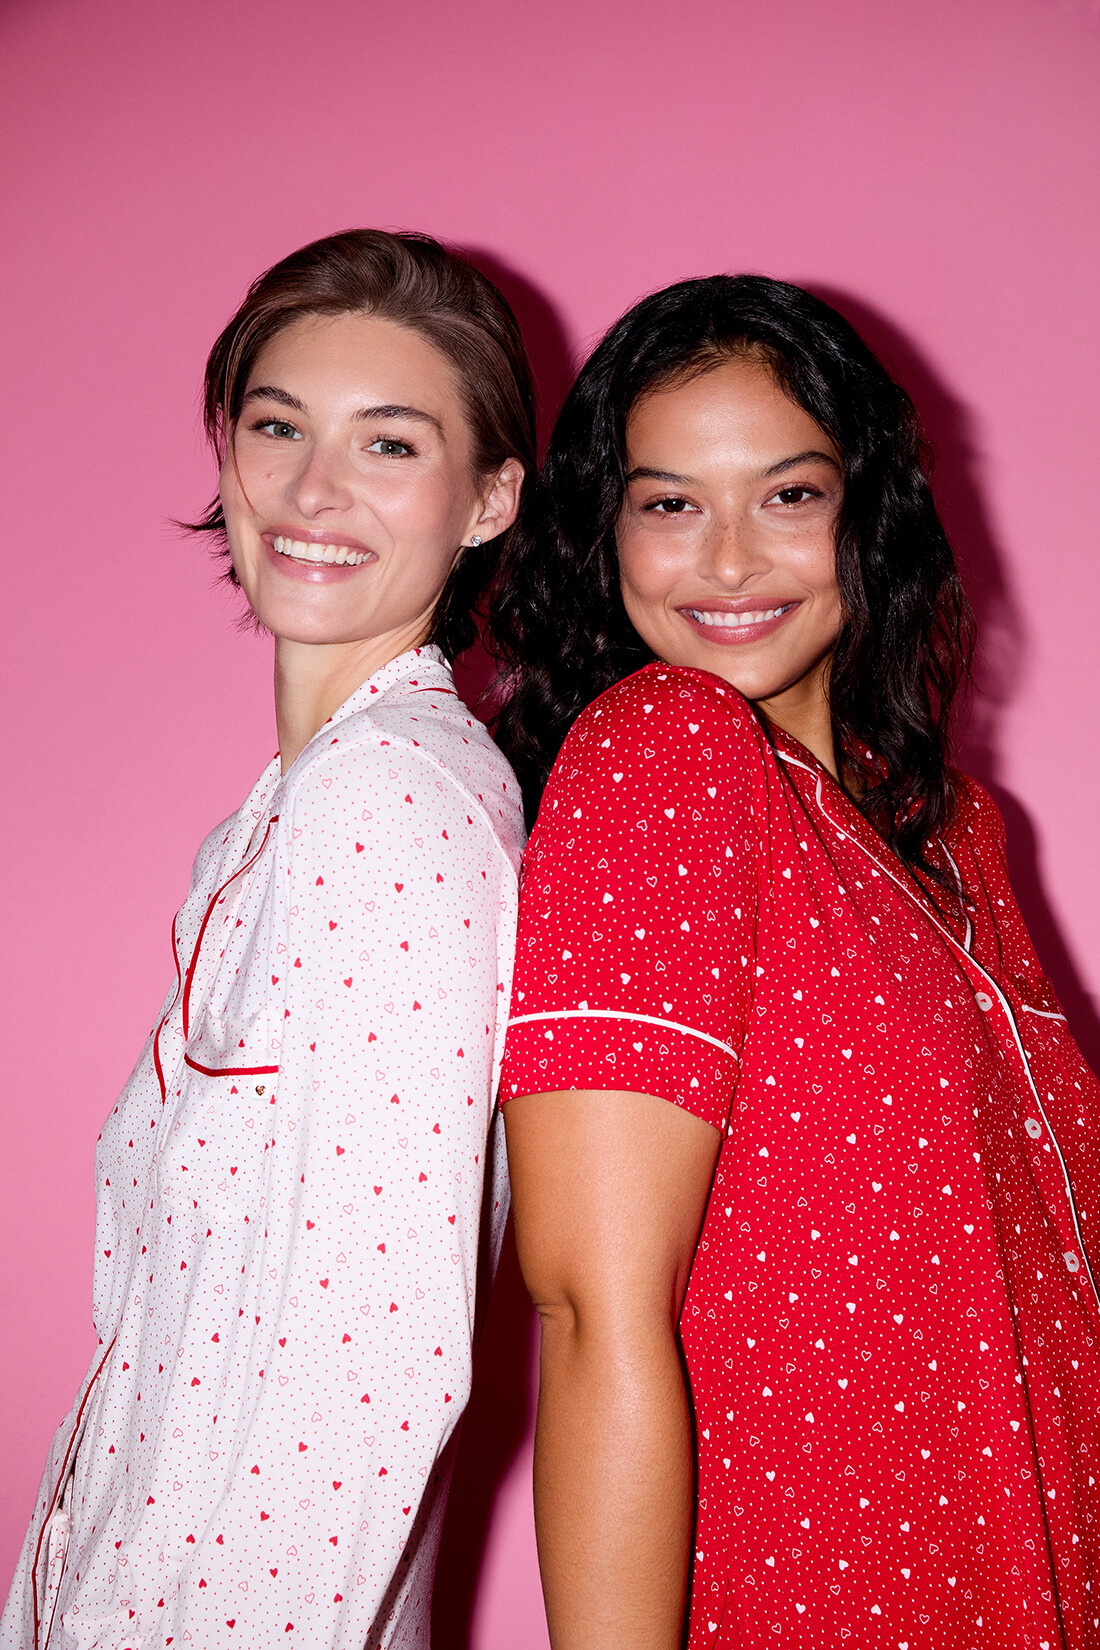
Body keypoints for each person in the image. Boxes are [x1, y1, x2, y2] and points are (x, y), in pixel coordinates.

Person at [488, 275, 1100, 1650]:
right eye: (669, 503)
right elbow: (591, 1310)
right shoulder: (662, 752)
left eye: (788, 494)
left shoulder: (953, 830)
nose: (727, 561)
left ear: (866, 510)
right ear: (604, 532)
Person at [3, 229, 533, 1650]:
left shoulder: (389, 803)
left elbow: (369, 1361)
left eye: (389, 444)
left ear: (489, 499)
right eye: (277, 427)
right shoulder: (284, 814)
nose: (311, 490)